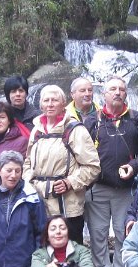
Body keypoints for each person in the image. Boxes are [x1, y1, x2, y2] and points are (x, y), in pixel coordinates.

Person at [84, 75, 138, 267]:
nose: (117, 92)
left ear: (126, 93)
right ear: (103, 94)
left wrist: (134, 166)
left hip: (126, 189)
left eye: (121, 89)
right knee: (98, 233)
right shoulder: (92, 120)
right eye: (112, 89)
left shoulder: (135, 118)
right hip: (97, 187)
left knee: (124, 232)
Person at [22, 84, 100, 245]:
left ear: (63, 103)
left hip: (67, 207)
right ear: (41, 105)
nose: (50, 104)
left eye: (55, 100)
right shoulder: (37, 130)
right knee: (44, 251)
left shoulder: (74, 130)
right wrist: (29, 184)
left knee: (71, 253)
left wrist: (69, 182)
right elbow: (28, 162)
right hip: (39, 204)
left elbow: (92, 166)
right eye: (46, 100)